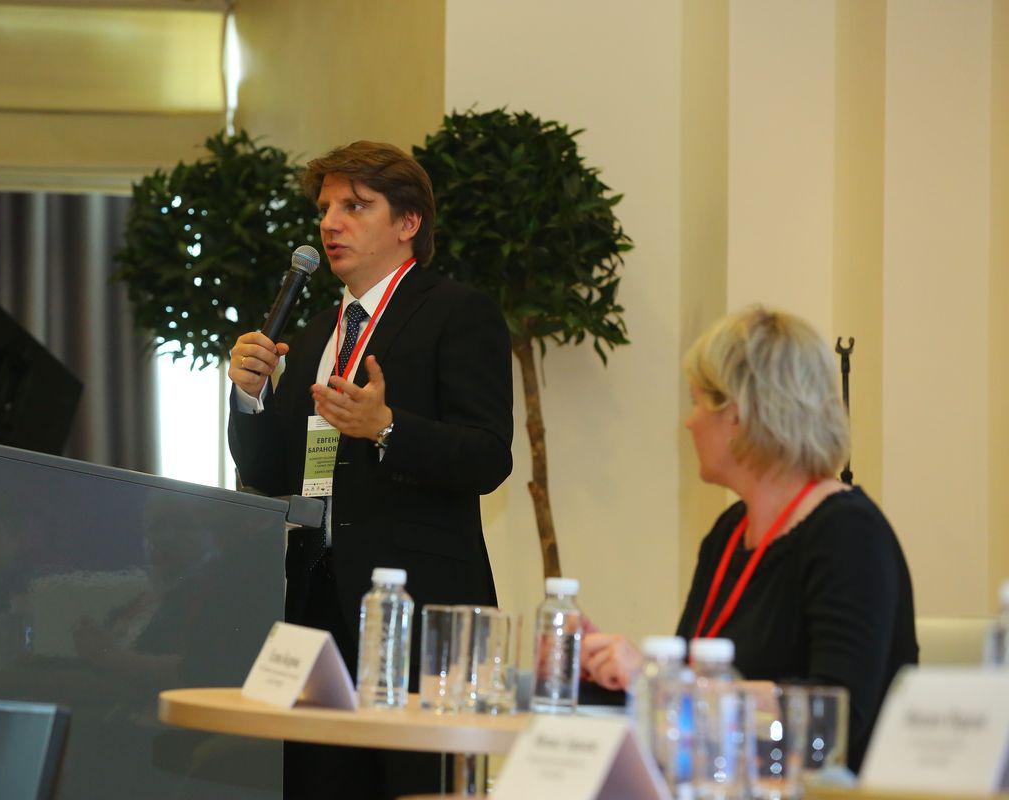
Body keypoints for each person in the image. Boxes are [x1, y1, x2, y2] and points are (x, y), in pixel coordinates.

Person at [227, 140, 513, 799]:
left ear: (408, 221)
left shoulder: (456, 311)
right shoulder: (315, 333)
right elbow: (271, 473)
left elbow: (487, 455)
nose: (330, 224)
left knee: (414, 788)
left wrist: (387, 427)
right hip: (317, 602)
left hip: (417, 608)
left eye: (355, 207)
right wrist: (250, 397)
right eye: (326, 208)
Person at [581, 306, 918, 773]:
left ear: (737, 416)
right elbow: (687, 698)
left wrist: (655, 680)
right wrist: (594, 671)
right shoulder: (730, 532)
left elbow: (836, 715)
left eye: (697, 403)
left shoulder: (848, 534)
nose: (689, 422)